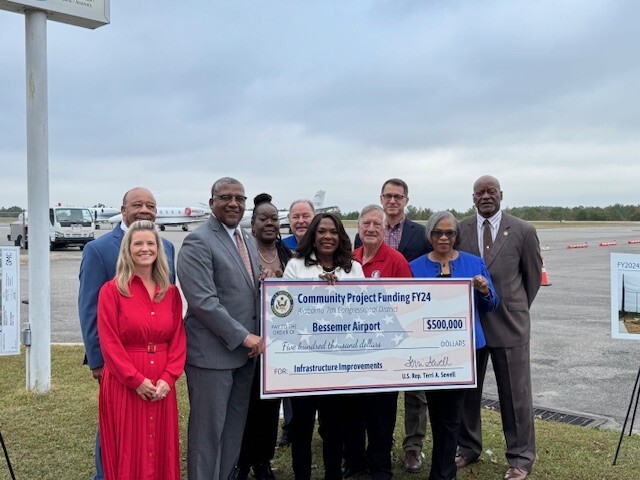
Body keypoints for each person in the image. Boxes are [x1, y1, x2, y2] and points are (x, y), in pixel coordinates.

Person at [78, 187, 175, 480]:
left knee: (150, 435)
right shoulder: (98, 249)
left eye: (151, 205)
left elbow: (166, 303)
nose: (145, 209)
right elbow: (89, 308)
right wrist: (98, 360)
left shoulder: (167, 246)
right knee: (116, 430)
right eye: (137, 204)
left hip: (156, 363)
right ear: (123, 209)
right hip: (117, 362)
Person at [455, 176, 542, 480]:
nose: (486, 196)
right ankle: (468, 446)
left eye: (491, 191)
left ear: (501, 195)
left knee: (515, 395)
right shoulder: (460, 229)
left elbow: (531, 279)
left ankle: (520, 458)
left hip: (510, 325)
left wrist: (514, 308)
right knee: (468, 392)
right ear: (473, 197)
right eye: (480, 192)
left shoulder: (523, 230)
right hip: (472, 326)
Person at [177, 177, 262, 480]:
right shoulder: (198, 241)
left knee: (233, 431)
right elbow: (202, 301)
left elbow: (250, 292)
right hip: (212, 357)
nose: (234, 203)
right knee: (207, 435)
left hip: (245, 357)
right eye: (226, 197)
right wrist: (243, 336)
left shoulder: (247, 240)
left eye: (240, 198)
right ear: (212, 202)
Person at [410, 211, 498, 480]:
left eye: (450, 233)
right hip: (431, 352)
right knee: (437, 412)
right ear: (430, 235)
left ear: (457, 236)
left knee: (452, 414)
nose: (444, 238)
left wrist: (484, 290)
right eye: (438, 233)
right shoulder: (416, 267)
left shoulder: (473, 263)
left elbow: (493, 303)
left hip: (465, 350)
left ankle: (443, 473)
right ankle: (442, 467)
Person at [97, 220, 186, 480]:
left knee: (161, 449)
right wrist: (135, 380)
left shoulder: (170, 293)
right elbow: (109, 342)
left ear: (158, 249)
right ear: (128, 249)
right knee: (128, 449)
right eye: (138, 243)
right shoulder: (111, 291)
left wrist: (169, 379)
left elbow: (178, 340)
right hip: (127, 383)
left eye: (150, 243)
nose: (145, 248)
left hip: (161, 384)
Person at [354, 178, 431, 473]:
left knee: (415, 395)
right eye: (388, 196)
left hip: (403, 325)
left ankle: (413, 447)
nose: (393, 200)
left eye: (398, 196)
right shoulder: (360, 243)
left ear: (406, 200)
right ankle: (367, 453)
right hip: (370, 338)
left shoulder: (419, 234)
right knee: (374, 402)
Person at [283, 212, 364, 480]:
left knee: (334, 428)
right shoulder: (296, 267)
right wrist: (313, 290)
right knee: (302, 429)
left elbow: (364, 312)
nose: (327, 236)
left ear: (341, 236)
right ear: (313, 236)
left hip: (339, 364)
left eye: (333, 231)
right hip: (304, 362)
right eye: (321, 231)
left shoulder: (354, 268)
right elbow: (285, 313)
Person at [346, 204, 412, 480]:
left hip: (385, 353)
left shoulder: (396, 261)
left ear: (385, 229)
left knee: (381, 414)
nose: (371, 229)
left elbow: (410, 304)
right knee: (352, 412)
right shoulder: (349, 259)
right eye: (366, 224)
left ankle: (380, 466)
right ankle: (354, 463)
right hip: (351, 352)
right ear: (358, 228)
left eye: (377, 224)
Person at [235, 193, 293, 480]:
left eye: (274, 219)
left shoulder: (289, 256)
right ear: (253, 224)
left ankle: (263, 460)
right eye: (263, 219)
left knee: (269, 406)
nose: (270, 223)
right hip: (247, 338)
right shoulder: (242, 252)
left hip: (277, 343)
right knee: (244, 405)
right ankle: (242, 461)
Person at [279, 198, 316, 447]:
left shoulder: (325, 243)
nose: (301, 221)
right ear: (289, 220)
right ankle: (291, 428)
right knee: (291, 382)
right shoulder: (282, 247)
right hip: (292, 326)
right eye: (296, 216)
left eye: (306, 216)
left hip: (321, 325)